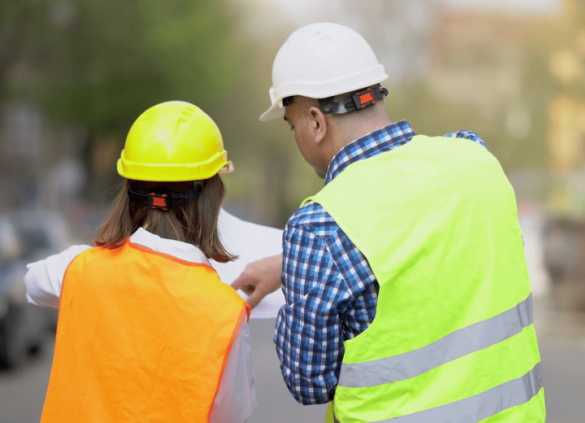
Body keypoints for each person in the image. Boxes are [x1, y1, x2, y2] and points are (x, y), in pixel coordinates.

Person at [232, 23, 546, 422]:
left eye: (292, 125)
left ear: (315, 122)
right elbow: (422, 233)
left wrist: (305, 274)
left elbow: (308, 382)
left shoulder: (319, 228)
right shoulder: (474, 157)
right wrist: (294, 265)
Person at [25, 101, 257, 423]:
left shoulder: (77, 268)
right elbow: (232, 414)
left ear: (130, 187)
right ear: (211, 192)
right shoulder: (226, 313)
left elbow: (32, 282)